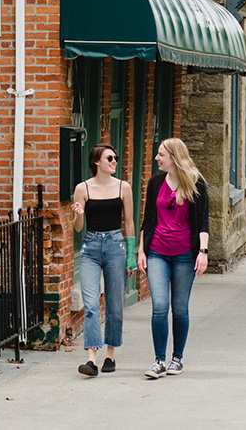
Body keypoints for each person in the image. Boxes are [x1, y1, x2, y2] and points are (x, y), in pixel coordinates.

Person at [137, 137, 209, 379]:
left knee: (179, 308)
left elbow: (203, 222)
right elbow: (148, 219)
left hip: (184, 255)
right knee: (159, 306)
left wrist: (203, 252)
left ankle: (177, 358)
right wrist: (141, 250)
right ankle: (158, 360)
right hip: (157, 250)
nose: (157, 158)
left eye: (161, 155)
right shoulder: (156, 182)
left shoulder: (195, 182)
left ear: (174, 158)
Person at [72, 143, 137, 376]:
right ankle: (91, 359)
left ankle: (110, 354)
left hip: (116, 246)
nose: (114, 161)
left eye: (115, 158)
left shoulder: (123, 187)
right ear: (96, 162)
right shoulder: (83, 188)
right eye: (109, 158)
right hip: (90, 247)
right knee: (90, 304)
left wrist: (131, 257)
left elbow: (129, 223)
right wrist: (78, 215)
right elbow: (78, 229)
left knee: (115, 305)